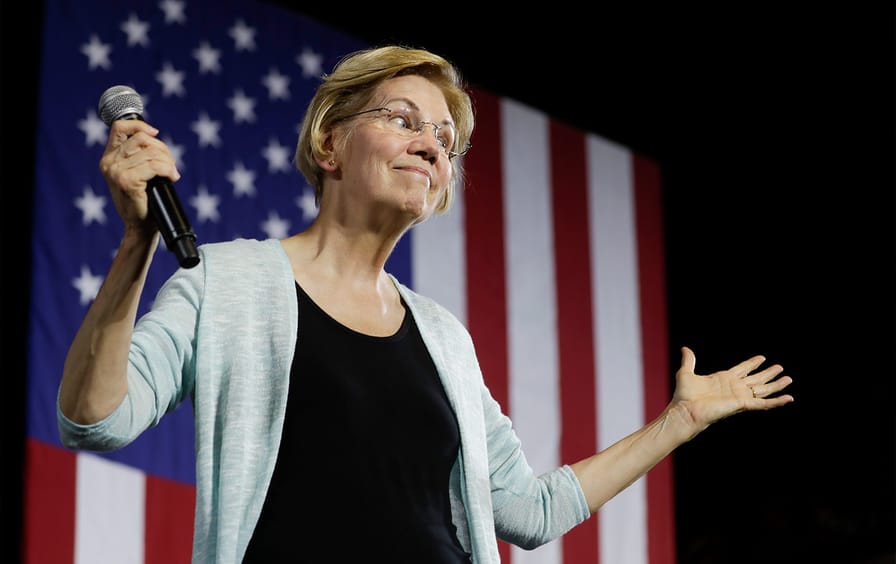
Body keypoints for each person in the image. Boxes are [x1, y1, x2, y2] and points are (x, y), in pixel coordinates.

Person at [57, 44, 794, 563]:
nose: (434, 147)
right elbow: (96, 420)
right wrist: (137, 247)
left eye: (445, 138)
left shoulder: (444, 338)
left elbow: (530, 512)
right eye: (404, 121)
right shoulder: (228, 281)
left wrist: (681, 419)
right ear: (329, 145)